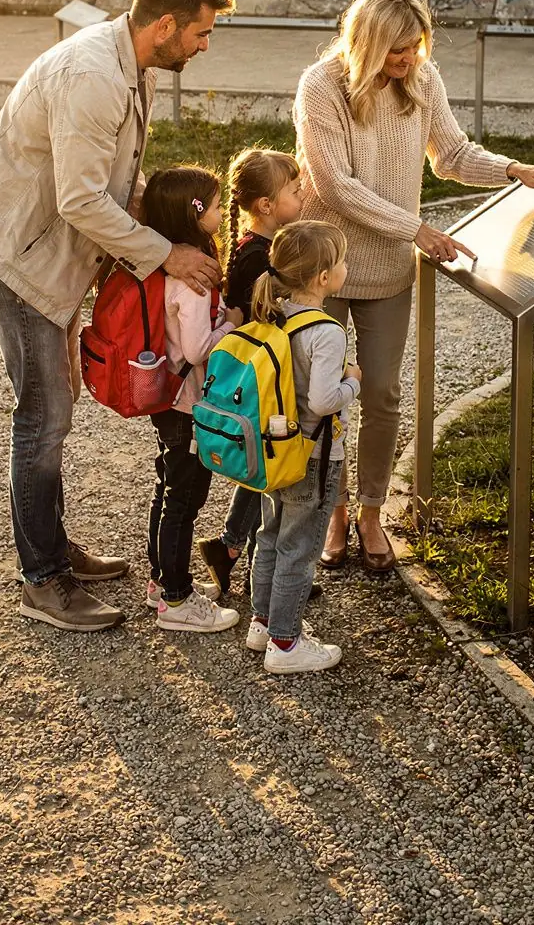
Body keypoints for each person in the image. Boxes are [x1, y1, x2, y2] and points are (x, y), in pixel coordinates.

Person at [0, 0, 235, 632]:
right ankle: (43, 578)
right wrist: (169, 252)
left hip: (43, 252)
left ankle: (50, 546)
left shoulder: (129, 66)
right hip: (14, 255)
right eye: (200, 32)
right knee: (43, 419)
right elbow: (81, 201)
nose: (204, 44)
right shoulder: (93, 77)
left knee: (55, 410)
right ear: (164, 25)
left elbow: (108, 186)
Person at [295, 0, 534, 573]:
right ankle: (332, 508)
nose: (407, 62)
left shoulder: (422, 80)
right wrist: (417, 229)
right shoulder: (320, 87)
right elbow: (333, 186)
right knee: (316, 398)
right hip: (321, 268)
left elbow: (449, 153)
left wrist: (511, 169)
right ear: (365, 43)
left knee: (380, 393)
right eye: (396, 52)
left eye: (414, 49)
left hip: (388, 270)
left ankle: (371, 509)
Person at [246, 221, 361, 674]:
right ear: (323, 279)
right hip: (314, 456)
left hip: (275, 452)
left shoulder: (274, 315)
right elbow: (323, 400)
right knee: (300, 547)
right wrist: (353, 382)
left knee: (271, 535)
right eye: (342, 262)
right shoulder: (327, 332)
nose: (346, 267)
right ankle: (286, 643)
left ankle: (262, 622)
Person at [197, 148, 306, 596]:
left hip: (265, 375)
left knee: (264, 465)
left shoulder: (254, 247)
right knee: (273, 467)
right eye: (294, 193)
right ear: (266, 205)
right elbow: (266, 315)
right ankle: (267, 565)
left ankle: (230, 547)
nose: (301, 199)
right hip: (266, 378)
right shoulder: (259, 259)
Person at [141, 167, 244, 633]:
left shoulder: (175, 270)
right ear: (195, 213)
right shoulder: (192, 279)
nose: (223, 213)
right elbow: (201, 348)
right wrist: (234, 322)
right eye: (217, 206)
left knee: (169, 489)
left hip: (169, 397)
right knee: (185, 497)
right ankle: (177, 600)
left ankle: (162, 581)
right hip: (187, 402)